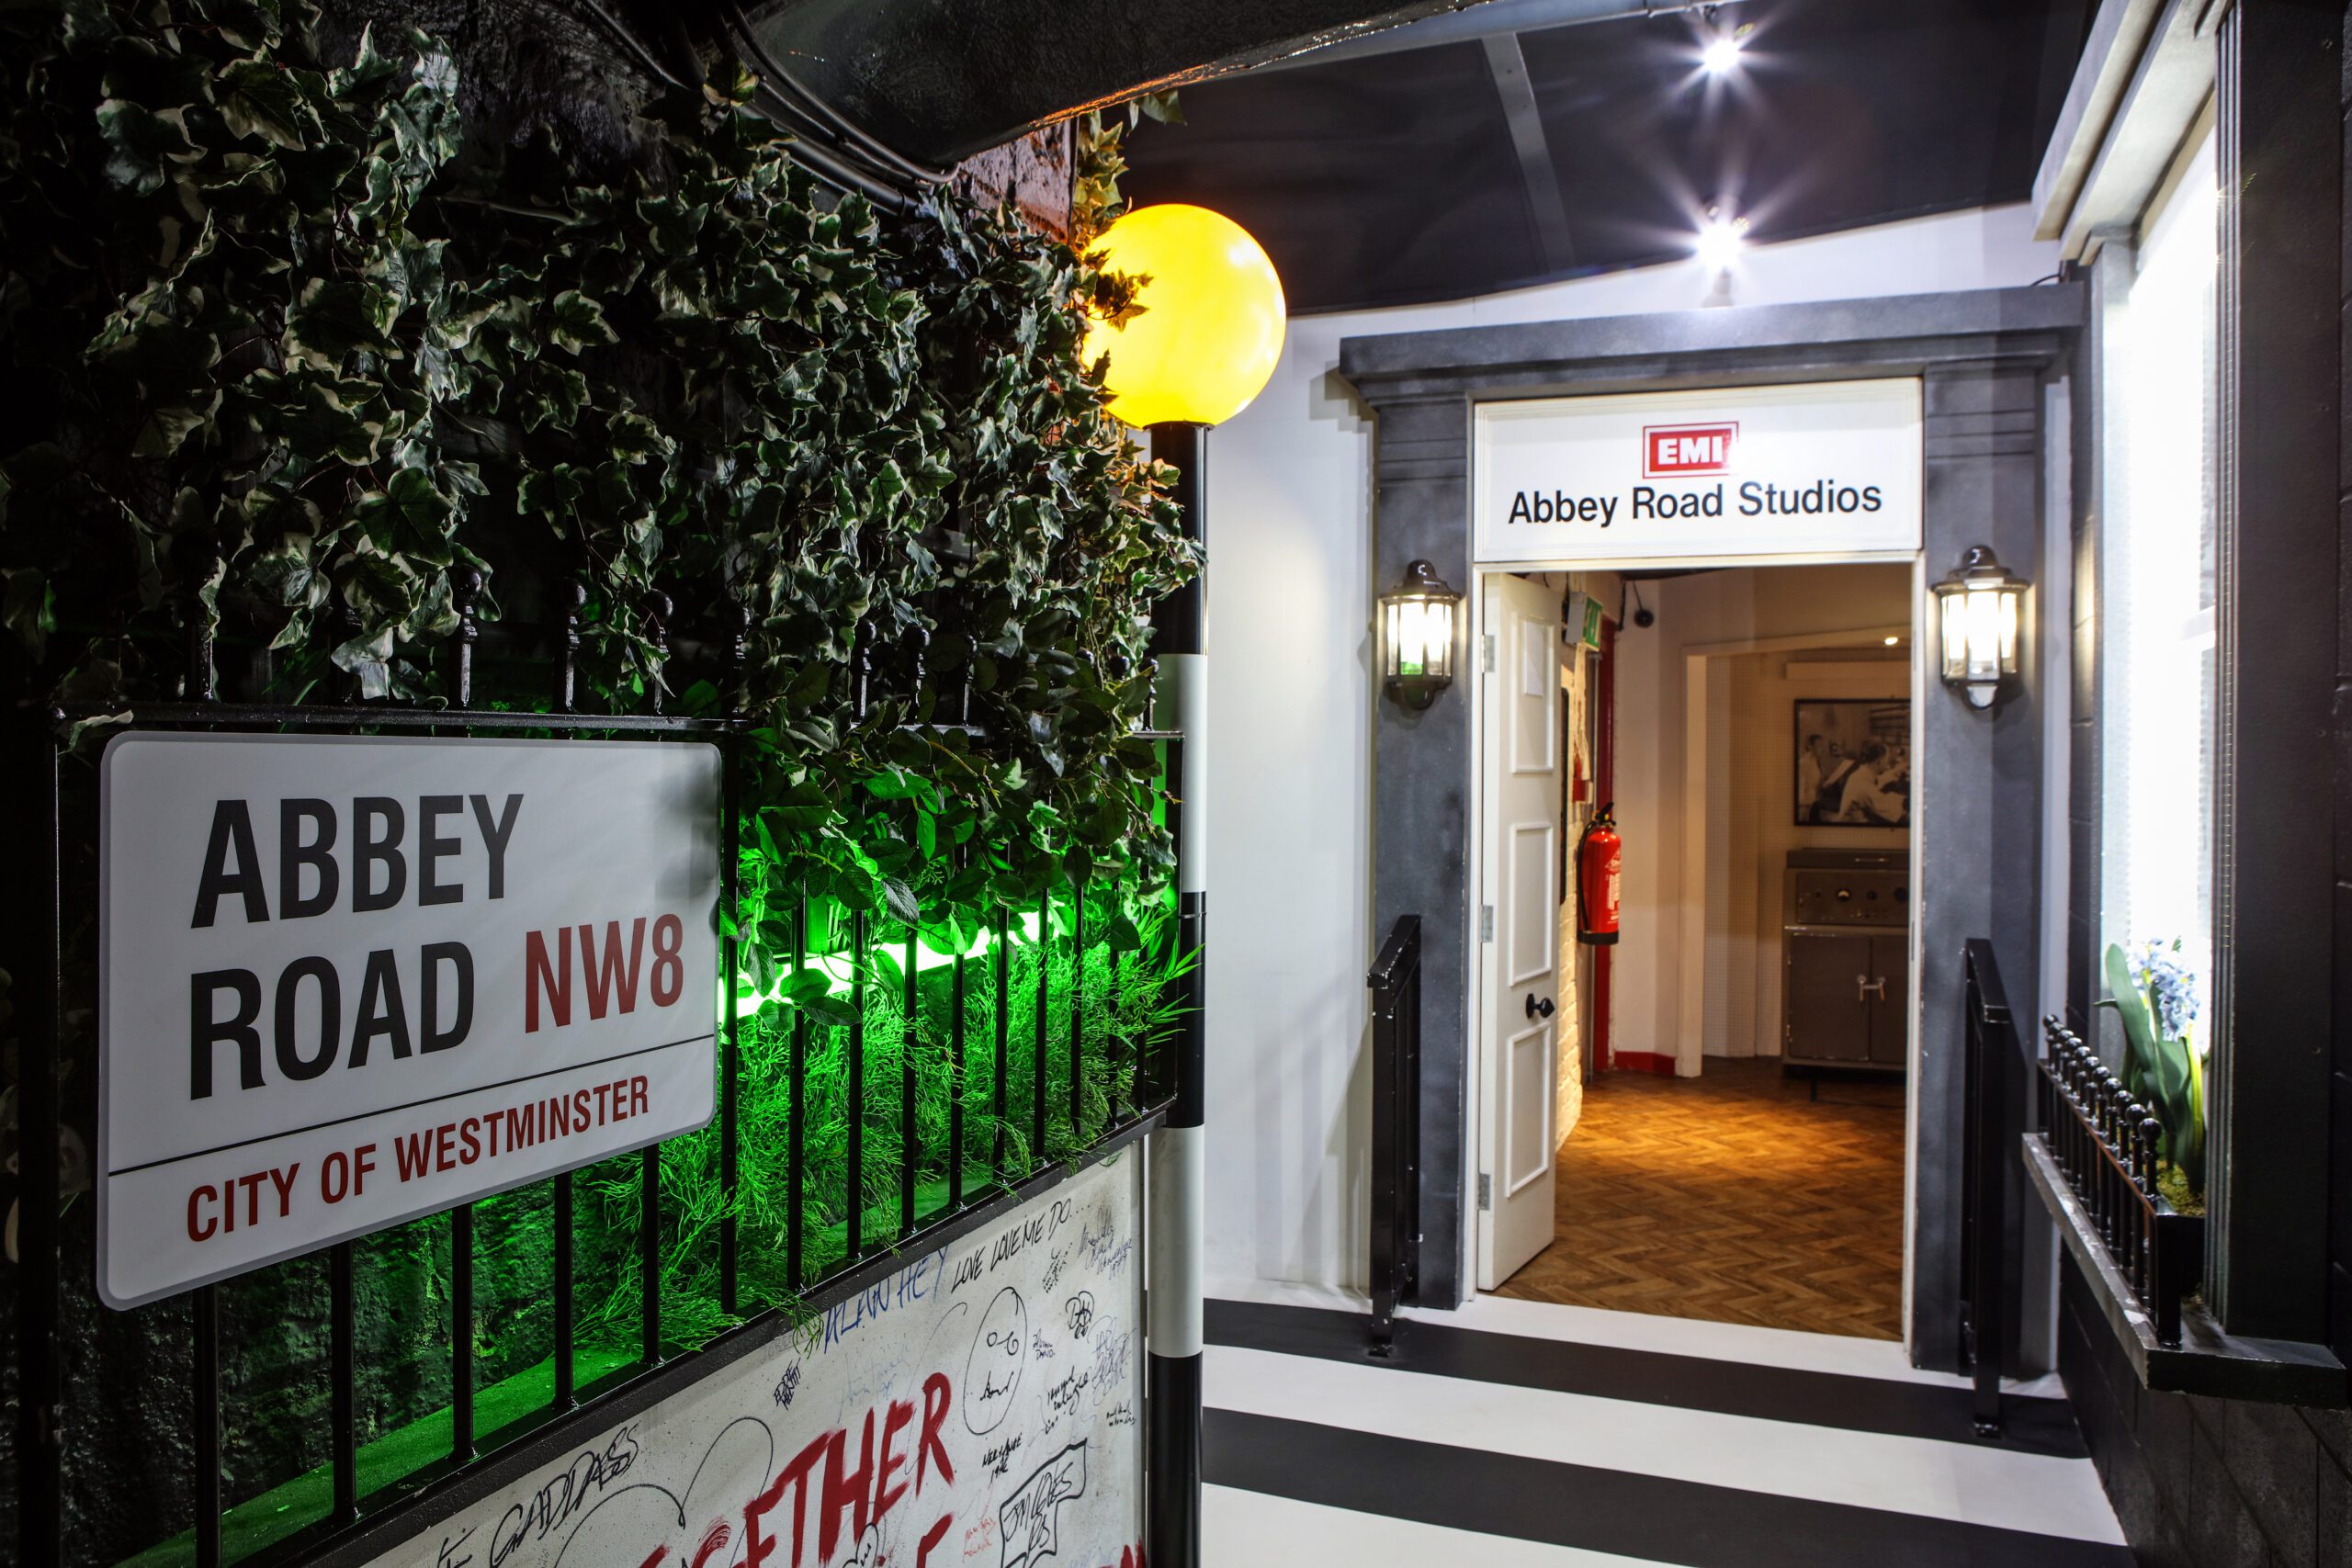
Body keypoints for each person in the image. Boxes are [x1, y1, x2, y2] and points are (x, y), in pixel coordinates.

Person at [1836, 742, 1905, 826]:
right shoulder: (1864, 784)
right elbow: (1888, 809)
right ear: (1878, 761)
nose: (1888, 761)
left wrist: (1895, 771)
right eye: (1887, 758)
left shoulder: (1862, 773)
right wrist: (1902, 802)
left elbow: (1878, 780)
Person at [1797, 733, 1827, 820]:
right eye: (1819, 745)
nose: (1822, 748)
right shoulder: (1803, 763)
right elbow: (1801, 789)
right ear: (1810, 746)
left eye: (1823, 745)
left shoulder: (1817, 761)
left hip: (1815, 803)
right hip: (1806, 805)